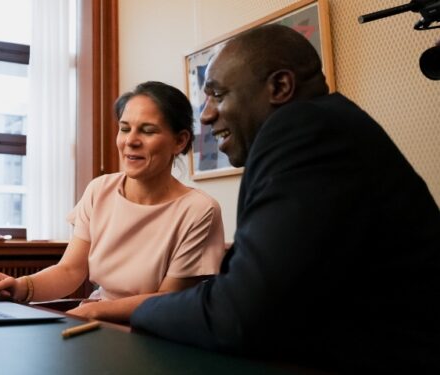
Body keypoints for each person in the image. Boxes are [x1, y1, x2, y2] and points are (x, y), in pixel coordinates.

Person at [131, 24, 440, 373]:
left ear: (280, 86)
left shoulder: (306, 129)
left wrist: (139, 314)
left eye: (217, 94)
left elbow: (242, 314)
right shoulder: (330, 125)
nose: (206, 114)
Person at [0, 81, 226, 323]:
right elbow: (70, 270)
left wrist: (94, 311)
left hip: (156, 332)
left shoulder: (199, 210)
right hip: (96, 324)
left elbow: (168, 299)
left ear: (180, 141)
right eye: (124, 128)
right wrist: (19, 287)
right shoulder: (99, 190)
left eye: (148, 130)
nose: (130, 140)